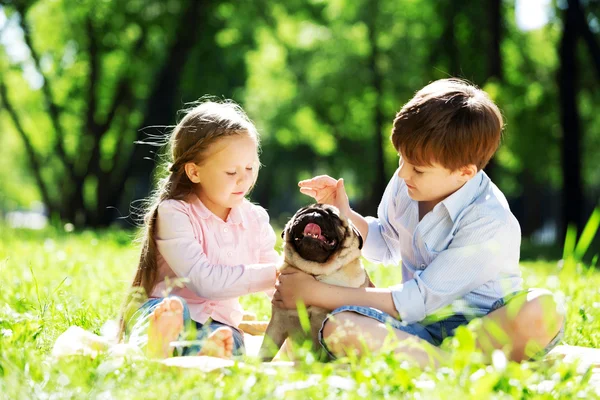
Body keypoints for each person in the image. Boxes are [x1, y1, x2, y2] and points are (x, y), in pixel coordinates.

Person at [273, 79, 565, 367]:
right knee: (338, 327)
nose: (402, 174)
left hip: (483, 328)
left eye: (418, 169)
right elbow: (385, 243)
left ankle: (440, 362)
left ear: (464, 172)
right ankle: (443, 362)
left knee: (543, 308)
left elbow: (417, 299)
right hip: (416, 328)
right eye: (401, 159)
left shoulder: (489, 220)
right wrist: (346, 214)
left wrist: (314, 292)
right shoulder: (408, 184)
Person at [120, 100, 279, 359]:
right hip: (163, 307)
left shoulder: (255, 219)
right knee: (171, 312)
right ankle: (158, 343)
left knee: (228, 339)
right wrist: (275, 272)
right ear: (194, 172)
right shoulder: (174, 213)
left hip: (220, 322)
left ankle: (202, 352)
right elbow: (204, 280)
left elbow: (283, 288)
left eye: (250, 167)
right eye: (231, 171)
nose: (244, 178)